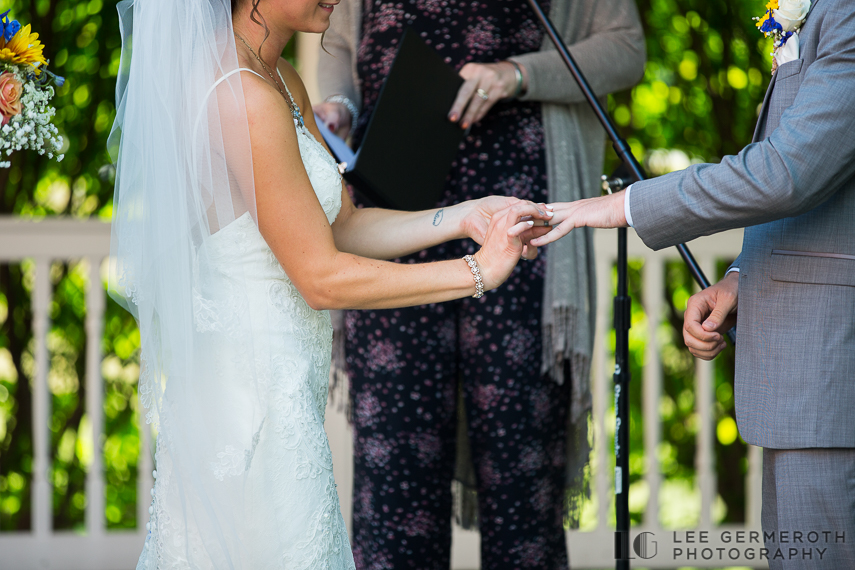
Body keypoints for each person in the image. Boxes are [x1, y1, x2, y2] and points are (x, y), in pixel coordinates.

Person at [108, 0, 553, 568]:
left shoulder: (281, 78)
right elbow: (320, 277)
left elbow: (342, 226)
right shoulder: (238, 95)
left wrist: (466, 216)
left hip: (289, 390)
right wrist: (476, 272)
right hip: (249, 409)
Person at [314, 1, 645, 568]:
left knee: (521, 463)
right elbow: (341, 44)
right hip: (390, 215)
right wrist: (340, 106)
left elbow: (626, 50)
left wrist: (516, 74)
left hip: (516, 222)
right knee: (394, 472)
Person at [534, 1, 855, 567]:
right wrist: (740, 276)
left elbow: (787, 173)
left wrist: (626, 205)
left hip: (833, 368)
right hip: (808, 371)